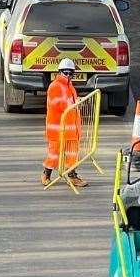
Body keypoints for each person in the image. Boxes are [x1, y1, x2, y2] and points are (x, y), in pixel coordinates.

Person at [43, 58, 87, 188]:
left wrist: (77, 101)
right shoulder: (55, 86)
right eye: (65, 72)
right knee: (54, 153)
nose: (67, 75)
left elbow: (70, 101)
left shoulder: (69, 86)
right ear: (59, 72)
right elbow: (58, 104)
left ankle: (72, 175)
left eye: (70, 72)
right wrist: (74, 104)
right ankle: (46, 174)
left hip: (71, 128)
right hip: (57, 128)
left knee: (72, 154)